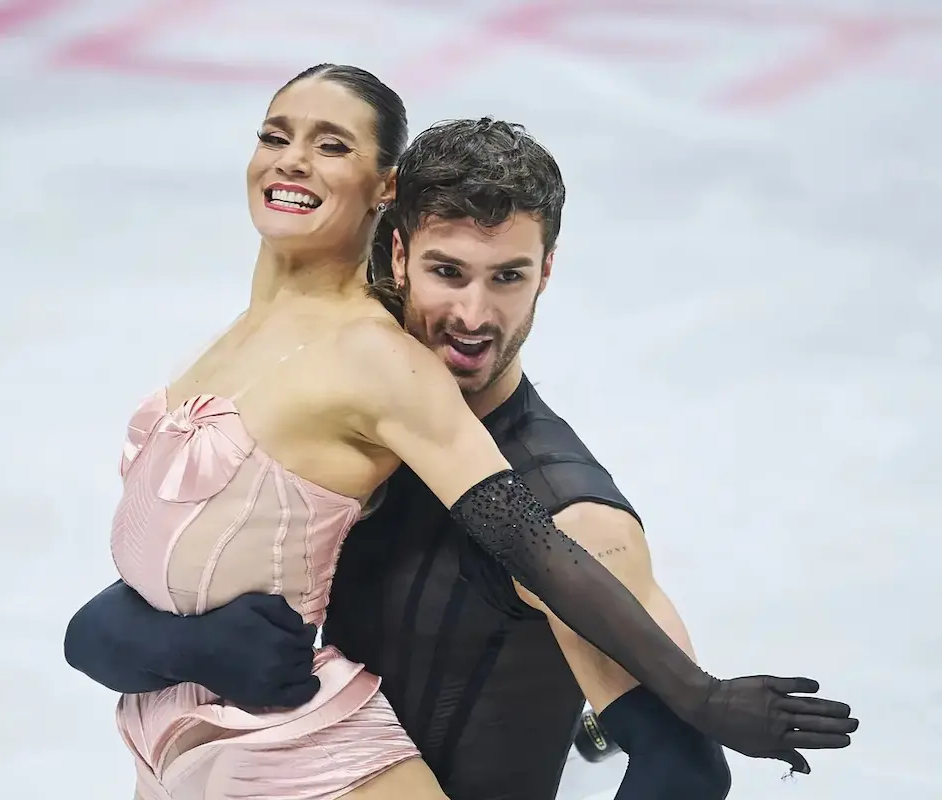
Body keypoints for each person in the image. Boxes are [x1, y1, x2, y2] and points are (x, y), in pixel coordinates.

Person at [79, 63, 857, 800]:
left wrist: (700, 695)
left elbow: (686, 771)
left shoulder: (566, 509)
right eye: (448, 272)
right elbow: (117, 619)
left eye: (508, 277)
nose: (475, 318)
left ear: (546, 270)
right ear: (399, 252)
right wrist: (188, 649)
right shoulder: (338, 394)